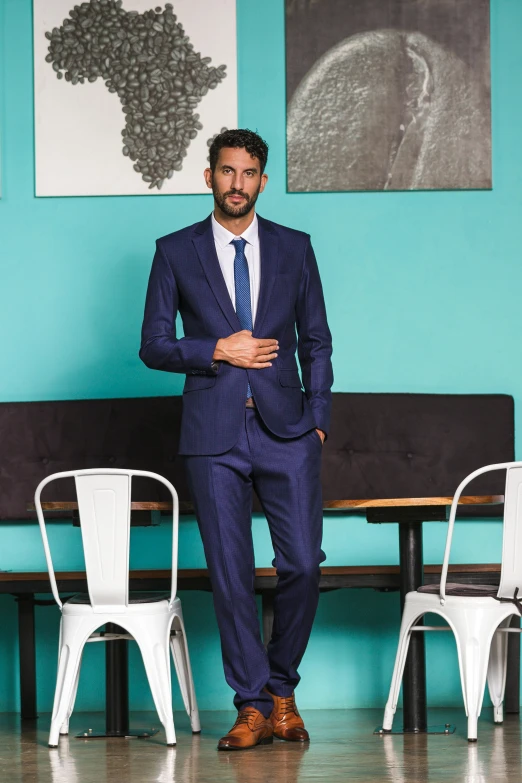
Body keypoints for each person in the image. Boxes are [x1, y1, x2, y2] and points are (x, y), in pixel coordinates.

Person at [139, 129, 333, 750]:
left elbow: (317, 340)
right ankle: (252, 706)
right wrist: (214, 349)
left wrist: (318, 416)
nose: (237, 184)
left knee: (302, 563)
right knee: (229, 574)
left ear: (262, 182)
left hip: (287, 430)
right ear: (209, 177)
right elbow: (153, 345)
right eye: (227, 171)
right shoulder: (175, 251)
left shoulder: (295, 248)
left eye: (249, 173)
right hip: (213, 433)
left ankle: (282, 688)